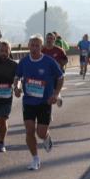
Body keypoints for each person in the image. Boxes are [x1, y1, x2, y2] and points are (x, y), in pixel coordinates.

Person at [14, 35, 64, 170]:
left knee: (40, 133)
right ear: (28, 46)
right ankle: (35, 158)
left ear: (41, 47)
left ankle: (46, 137)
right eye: (32, 45)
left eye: (37, 45)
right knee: (29, 130)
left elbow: (60, 77)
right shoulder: (24, 62)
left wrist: (55, 94)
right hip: (29, 101)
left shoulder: (49, 61)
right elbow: (17, 77)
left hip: (44, 102)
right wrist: (16, 88)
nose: (34, 48)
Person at [42, 33, 68, 107]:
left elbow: (66, 60)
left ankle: (57, 96)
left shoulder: (59, 50)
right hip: (46, 73)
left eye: (51, 38)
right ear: (45, 39)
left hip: (57, 73)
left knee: (55, 88)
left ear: (54, 40)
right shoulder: (42, 50)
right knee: (48, 91)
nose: (49, 40)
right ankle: (51, 104)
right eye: (48, 38)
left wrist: (59, 65)